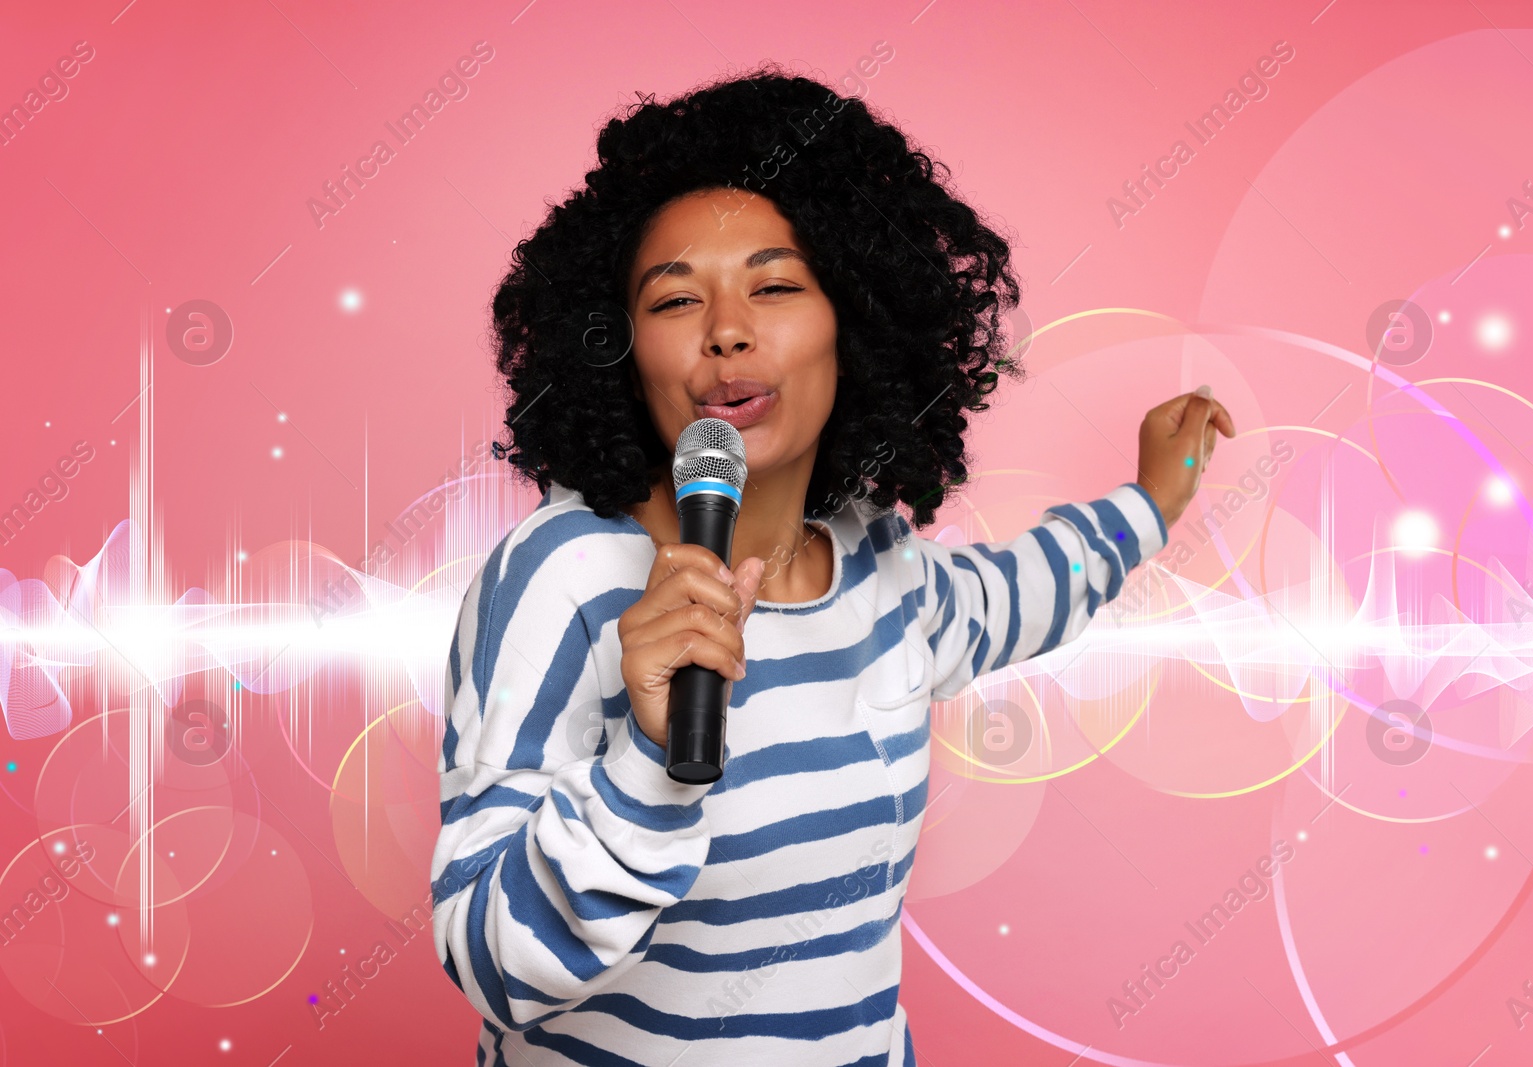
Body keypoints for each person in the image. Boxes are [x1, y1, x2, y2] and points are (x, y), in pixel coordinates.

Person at [431, 65, 1234, 1066]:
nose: (727, 328)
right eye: (677, 299)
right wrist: (644, 759)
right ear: (619, 346)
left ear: (852, 322)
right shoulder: (565, 577)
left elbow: (1022, 589)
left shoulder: (878, 566)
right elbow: (489, 962)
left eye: (773, 285)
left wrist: (1153, 500)